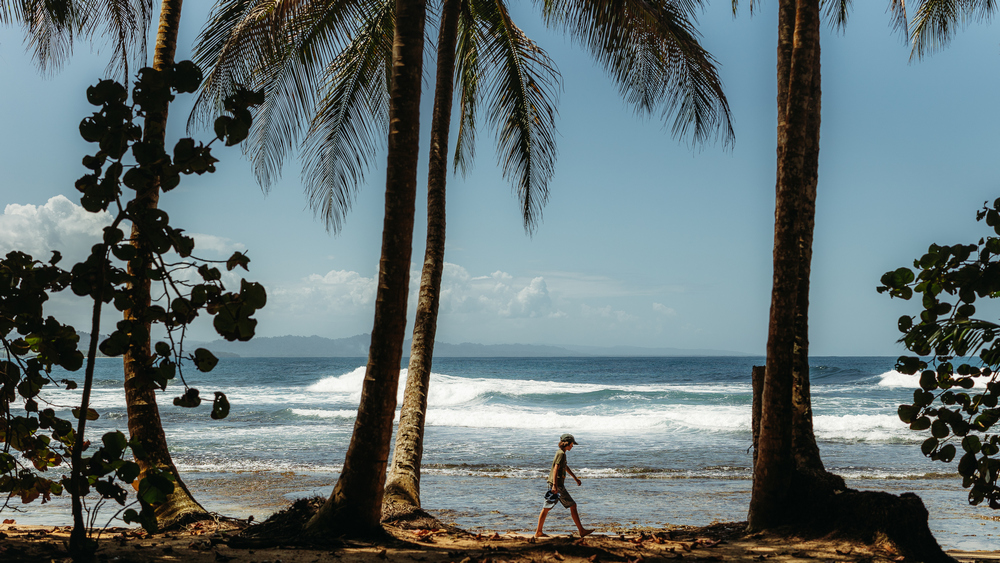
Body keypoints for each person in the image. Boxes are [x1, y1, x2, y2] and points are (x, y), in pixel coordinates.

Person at [534, 433, 593, 538]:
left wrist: (575, 478)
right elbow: (556, 468)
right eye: (572, 444)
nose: (572, 446)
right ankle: (581, 531)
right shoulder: (561, 454)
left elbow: (565, 467)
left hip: (556, 484)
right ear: (567, 443)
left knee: (546, 508)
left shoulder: (561, 453)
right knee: (573, 506)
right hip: (557, 485)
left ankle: (539, 531)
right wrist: (555, 486)